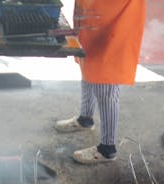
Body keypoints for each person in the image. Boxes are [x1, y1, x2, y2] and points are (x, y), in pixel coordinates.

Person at [54, 0, 146, 164]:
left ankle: (107, 149)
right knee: (89, 64)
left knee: (105, 81)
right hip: (95, 14)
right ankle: (85, 119)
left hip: (114, 19)